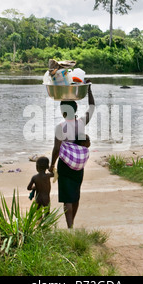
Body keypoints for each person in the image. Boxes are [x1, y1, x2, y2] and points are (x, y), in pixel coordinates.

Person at [49, 84, 95, 228]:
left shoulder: (60, 127)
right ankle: (72, 223)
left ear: (63, 111)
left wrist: (52, 164)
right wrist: (89, 90)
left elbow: (57, 148)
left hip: (65, 164)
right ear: (75, 109)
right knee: (75, 195)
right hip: (78, 165)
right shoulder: (81, 123)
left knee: (67, 199)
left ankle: (70, 227)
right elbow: (92, 107)